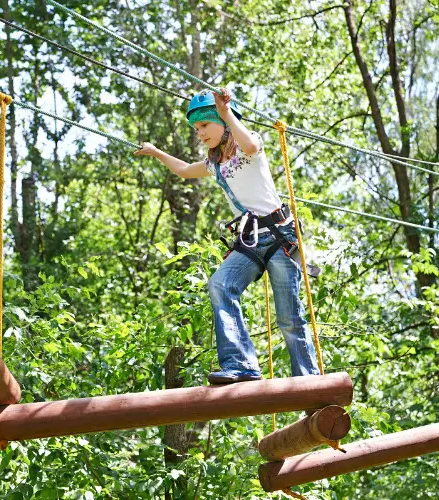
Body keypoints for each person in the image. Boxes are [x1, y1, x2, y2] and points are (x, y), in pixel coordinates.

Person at [134, 88, 320, 384]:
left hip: (279, 235)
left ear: (221, 122)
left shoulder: (251, 147)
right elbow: (183, 171)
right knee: (220, 284)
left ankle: (310, 383)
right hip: (251, 241)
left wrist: (225, 113)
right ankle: (242, 364)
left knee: (289, 317)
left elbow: (246, 142)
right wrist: (156, 152)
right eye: (197, 129)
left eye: (204, 125)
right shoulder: (214, 164)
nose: (200, 133)